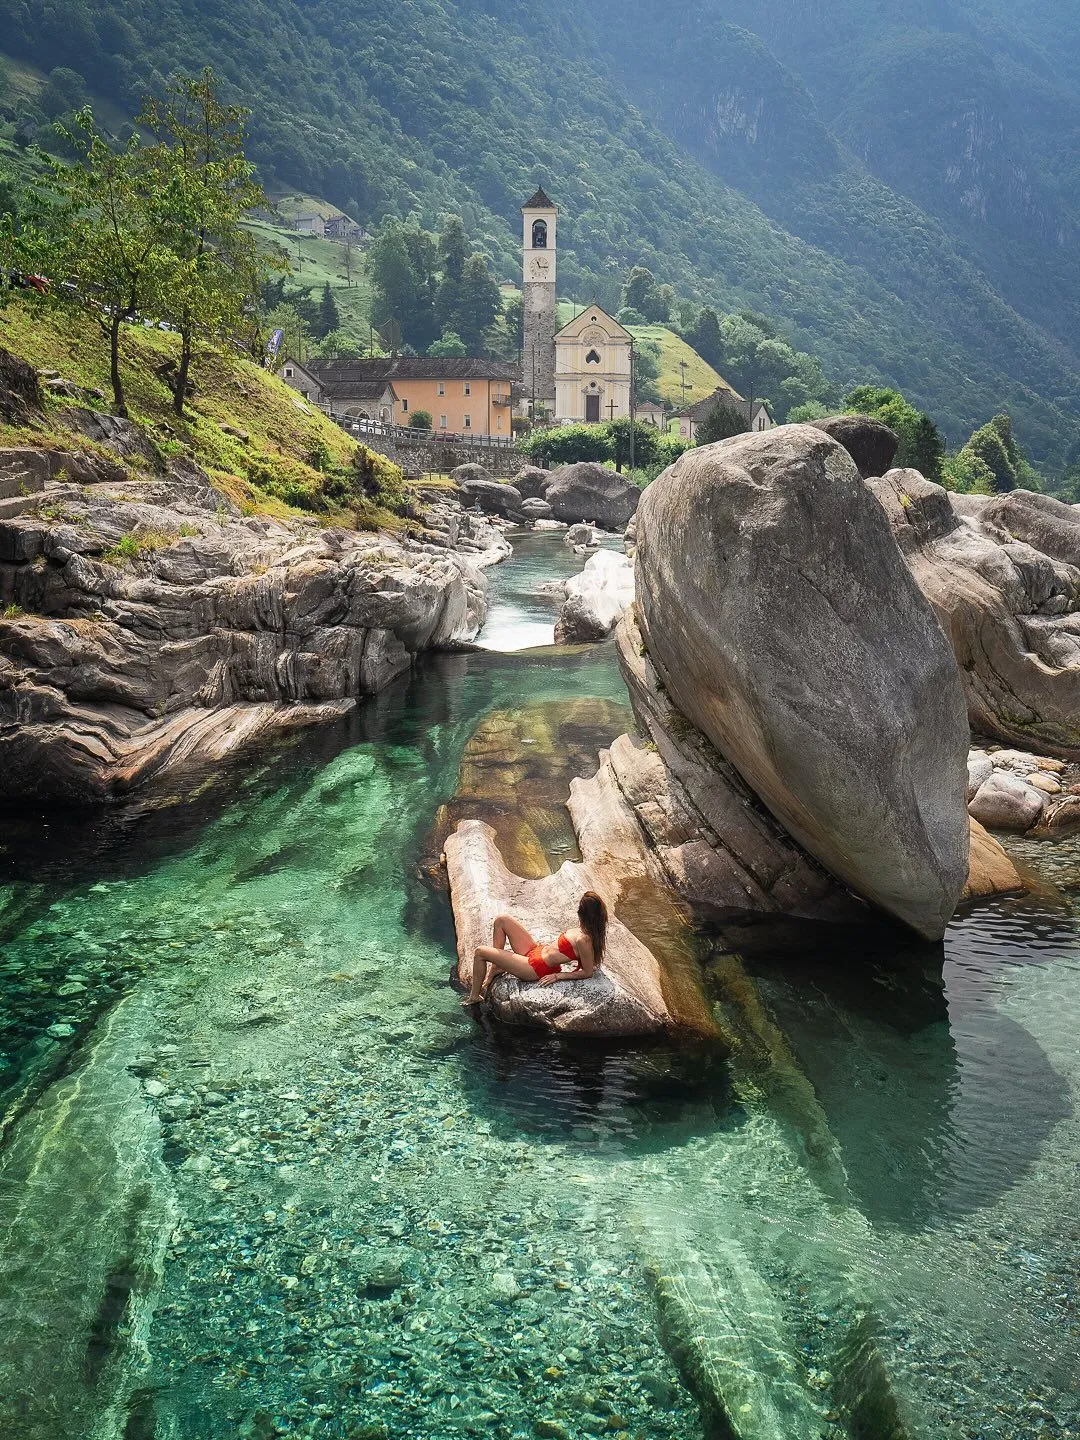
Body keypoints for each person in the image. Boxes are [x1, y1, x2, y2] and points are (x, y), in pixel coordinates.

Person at [464, 891, 608, 1006]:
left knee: (480, 952)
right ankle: (496, 967)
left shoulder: (585, 940)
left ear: (583, 915)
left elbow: (588, 972)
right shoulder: (585, 930)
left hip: (535, 968)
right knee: (501, 919)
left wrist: (559, 976)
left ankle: (474, 997)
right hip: (536, 951)